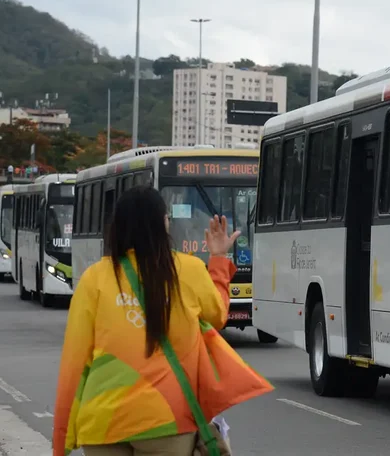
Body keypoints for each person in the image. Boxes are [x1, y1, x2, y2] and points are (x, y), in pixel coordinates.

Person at [53, 186, 273, 456]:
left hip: (102, 420)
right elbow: (217, 315)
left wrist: (62, 439)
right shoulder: (188, 270)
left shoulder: (94, 279)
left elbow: (75, 364)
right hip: (167, 420)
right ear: (162, 224)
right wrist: (218, 259)